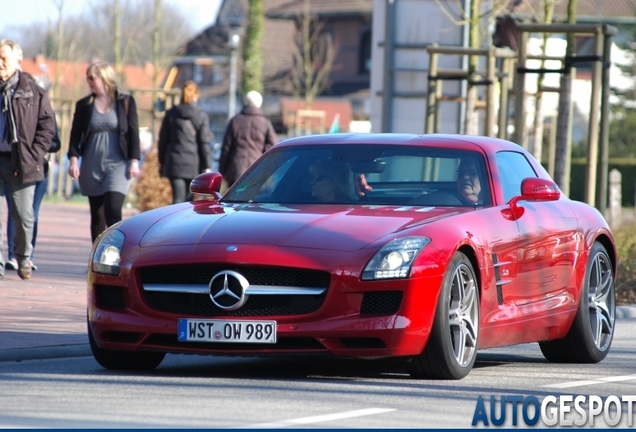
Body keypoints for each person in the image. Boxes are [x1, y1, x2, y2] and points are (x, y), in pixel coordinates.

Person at [67, 62, 141, 243]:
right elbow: (75, 134)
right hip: (92, 164)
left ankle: (117, 255)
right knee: (98, 215)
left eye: (93, 78)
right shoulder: (84, 105)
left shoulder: (125, 101)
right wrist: (74, 160)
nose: (89, 82)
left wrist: (134, 160)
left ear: (105, 78)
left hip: (118, 164)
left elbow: (133, 132)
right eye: (88, 78)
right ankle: (98, 260)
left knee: (113, 210)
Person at [0, 39, 55, 280]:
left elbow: (47, 126)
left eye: (4, 59)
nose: (0, 64)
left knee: (23, 215)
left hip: (20, 161)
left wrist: (35, 154)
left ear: (18, 62)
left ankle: (23, 257)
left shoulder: (33, 91)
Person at [5, 121, 60, 272]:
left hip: (38, 169)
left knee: (31, 215)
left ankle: (27, 256)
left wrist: (35, 149)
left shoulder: (45, 110)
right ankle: (13, 256)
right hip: (15, 167)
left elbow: (56, 143)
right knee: (15, 213)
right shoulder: (14, 107)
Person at [158, 81, 213, 203]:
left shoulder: (171, 114)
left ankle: (175, 222)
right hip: (193, 163)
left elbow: (163, 141)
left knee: (177, 198)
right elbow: (204, 142)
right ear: (196, 95)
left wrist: (162, 162)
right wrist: (207, 165)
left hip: (175, 162)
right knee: (189, 201)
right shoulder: (201, 115)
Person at [355, 156, 486, 206]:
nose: (465, 177)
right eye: (461, 173)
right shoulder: (433, 202)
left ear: (485, 179)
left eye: (472, 173)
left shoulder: (489, 209)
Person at [219, 90, 278, 188]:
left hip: (236, 170)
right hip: (256, 170)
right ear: (259, 103)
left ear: (245, 102)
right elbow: (274, 146)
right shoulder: (265, 122)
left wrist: (222, 171)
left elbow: (226, 148)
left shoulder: (235, 121)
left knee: (233, 201)